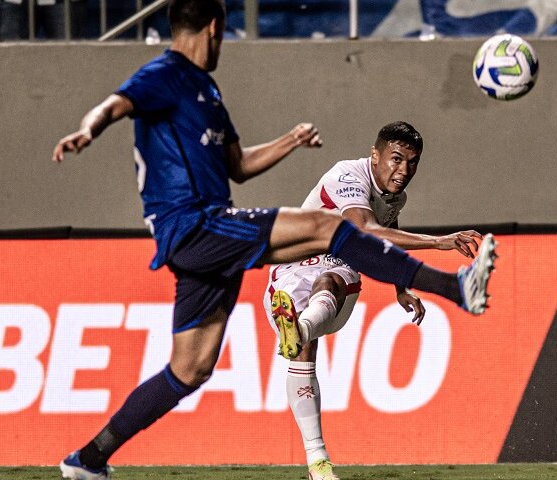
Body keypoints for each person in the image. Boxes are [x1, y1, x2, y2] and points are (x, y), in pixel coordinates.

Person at [51, 1, 495, 479]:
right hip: (196, 222)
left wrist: (290, 140)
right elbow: (117, 103)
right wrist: (87, 129)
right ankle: (455, 288)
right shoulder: (167, 73)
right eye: (224, 33)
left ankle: (88, 460)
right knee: (328, 228)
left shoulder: (207, 92)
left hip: (201, 238)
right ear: (214, 27)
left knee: (191, 369)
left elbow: (238, 166)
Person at [263, 121, 494, 480]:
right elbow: (367, 230)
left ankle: (298, 330)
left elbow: (384, 232)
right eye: (396, 159)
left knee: (331, 282)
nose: (403, 171)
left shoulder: (394, 196)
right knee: (306, 349)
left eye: (412, 163)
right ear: (375, 155)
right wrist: (438, 242)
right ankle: (318, 464)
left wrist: (401, 286)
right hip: (293, 268)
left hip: (336, 266)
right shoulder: (347, 175)